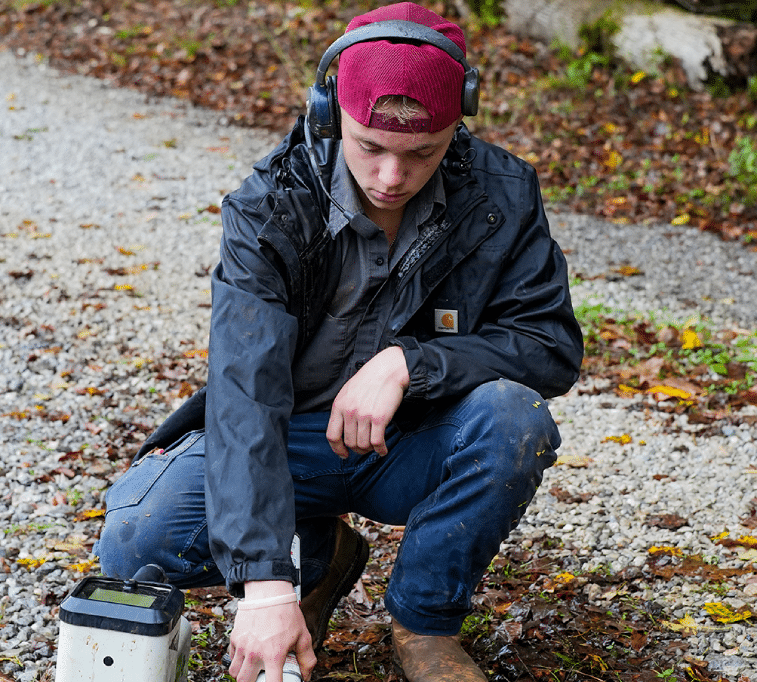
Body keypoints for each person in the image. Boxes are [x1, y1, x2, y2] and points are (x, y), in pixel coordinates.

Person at [96, 3, 584, 681]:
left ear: (458, 124)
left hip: (412, 443)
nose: (391, 177)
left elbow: (549, 345)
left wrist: (412, 363)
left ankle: (424, 625)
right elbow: (247, 394)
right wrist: (266, 586)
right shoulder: (271, 204)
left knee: (514, 419)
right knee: (135, 542)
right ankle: (314, 556)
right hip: (288, 440)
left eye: (422, 153)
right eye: (369, 147)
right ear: (329, 116)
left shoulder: (503, 192)